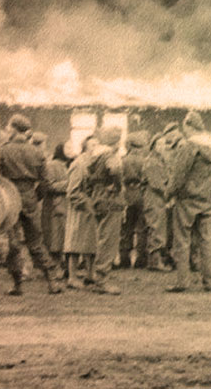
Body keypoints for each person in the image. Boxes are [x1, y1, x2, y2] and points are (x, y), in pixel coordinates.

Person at [0, 114, 64, 296]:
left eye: (10, 127)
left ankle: (17, 284)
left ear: (13, 129)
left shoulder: (3, 151)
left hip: (10, 197)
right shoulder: (37, 152)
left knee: (13, 242)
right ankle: (52, 281)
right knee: (36, 242)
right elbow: (46, 184)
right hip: (30, 198)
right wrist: (35, 197)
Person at [166, 111, 211, 293]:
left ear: (189, 126)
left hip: (187, 200)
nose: (184, 131)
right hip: (208, 200)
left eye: (185, 128)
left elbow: (179, 175)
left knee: (182, 241)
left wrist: (169, 193)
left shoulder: (189, 146)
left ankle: (183, 281)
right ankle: (210, 281)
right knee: (207, 241)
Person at [87, 126, 124, 294]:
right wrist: (116, 186)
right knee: (109, 239)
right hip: (110, 198)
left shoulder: (94, 155)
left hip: (97, 196)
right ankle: (101, 280)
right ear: (114, 142)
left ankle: (98, 276)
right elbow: (115, 170)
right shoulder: (110, 155)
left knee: (102, 237)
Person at [64, 135, 99, 289]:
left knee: (92, 242)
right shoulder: (78, 164)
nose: (95, 148)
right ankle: (72, 277)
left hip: (93, 207)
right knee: (76, 243)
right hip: (80, 209)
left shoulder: (95, 163)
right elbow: (72, 191)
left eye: (97, 145)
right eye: (92, 145)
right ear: (85, 147)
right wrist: (85, 203)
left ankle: (90, 275)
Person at [142, 128, 174, 272]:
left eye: (164, 144)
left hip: (159, 198)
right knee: (156, 228)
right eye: (159, 144)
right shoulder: (151, 162)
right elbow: (157, 185)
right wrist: (170, 194)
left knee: (159, 228)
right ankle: (155, 262)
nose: (162, 147)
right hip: (154, 198)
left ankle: (155, 260)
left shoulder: (160, 161)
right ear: (153, 146)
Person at [119, 131, 150, 270]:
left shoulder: (123, 160)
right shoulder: (146, 160)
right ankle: (140, 259)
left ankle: (124, 258)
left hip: (127, 194)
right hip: (142, 194)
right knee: (141, 228)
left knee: (126, 228)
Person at [41, 142, 72, 268]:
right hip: (55, 204)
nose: (70, 151)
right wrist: (69, 185)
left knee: (65, 234)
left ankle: (65, 264)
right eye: (67, 148)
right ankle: (56, 263)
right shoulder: (52, 165)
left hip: (66, 204)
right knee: (55, 235)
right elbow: (49, 185)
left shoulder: (69, 165)